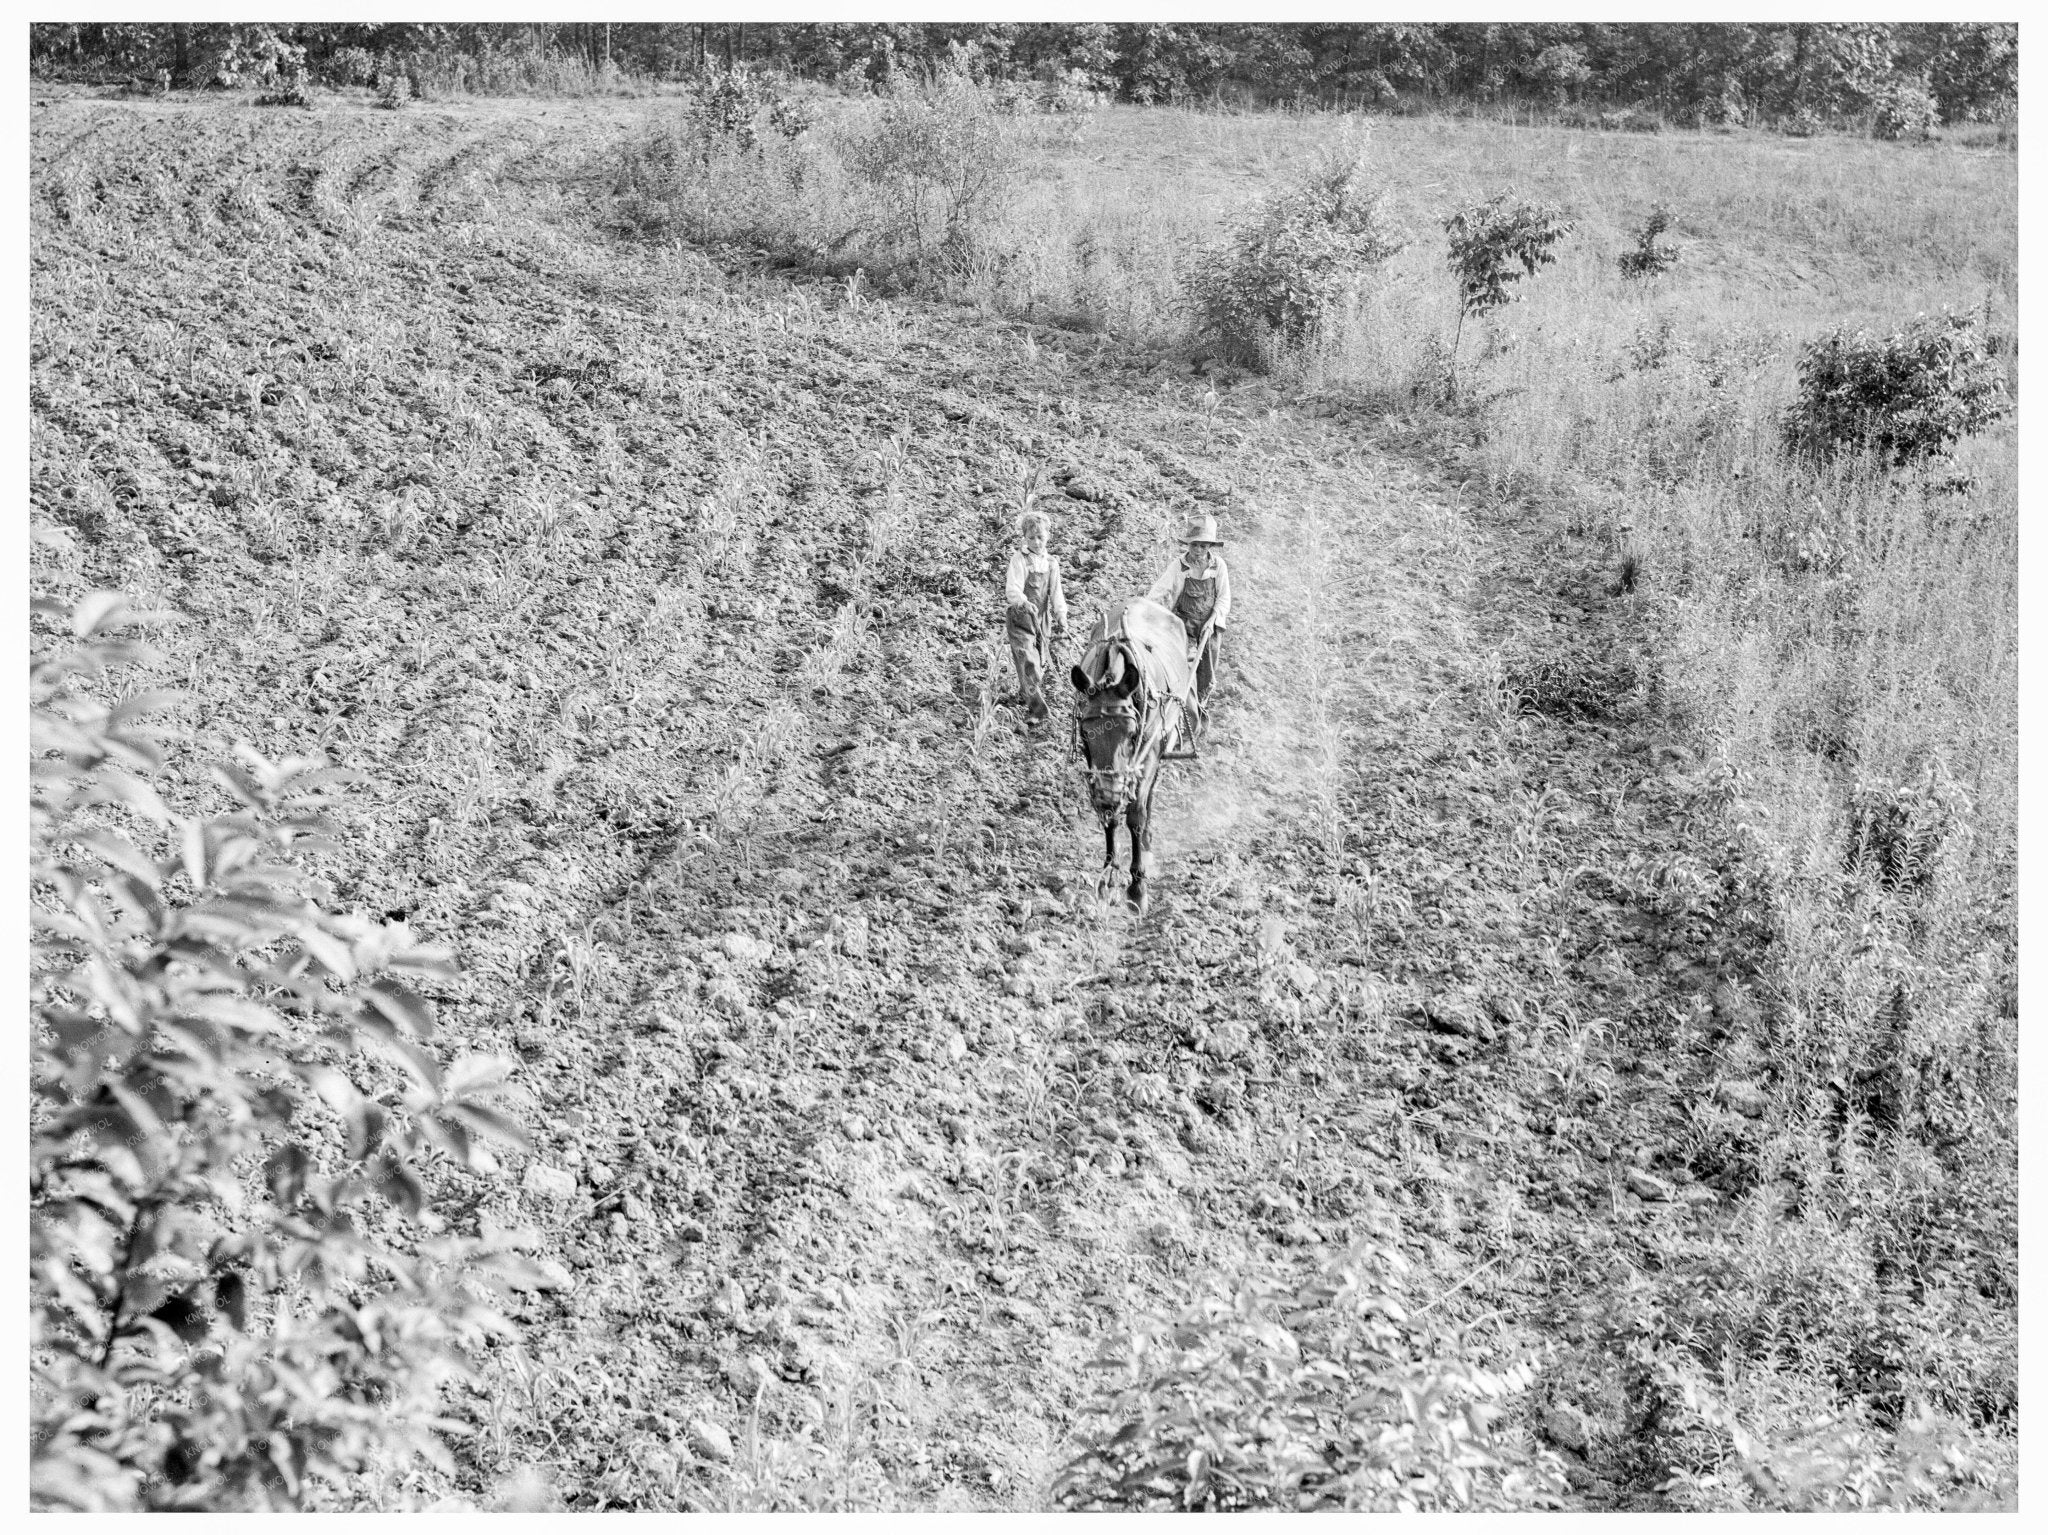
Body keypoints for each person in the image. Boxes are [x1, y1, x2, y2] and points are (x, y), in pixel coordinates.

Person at [1146, 512, 1232, 702]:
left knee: (1205, 674)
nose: (1198, 550)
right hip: (1182, 625)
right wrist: (1147, 611)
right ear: (1188, 545)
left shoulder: (1218, 567)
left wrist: (1213, 620)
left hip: (1208, 626)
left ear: (1210, 546)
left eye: (1203, 545)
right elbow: (1161, 591)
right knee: (1176, 668)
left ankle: (1200, 706)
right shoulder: (1180, 566)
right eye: (1194, 544)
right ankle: (1174, 702)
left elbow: (1224, 598)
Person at [1004, 507, 1068, 724]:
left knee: (1038, 663)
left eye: (1040, 537)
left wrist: (1061, 615)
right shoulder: (1019, 559)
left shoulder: (1051, 564)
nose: (1037, 542)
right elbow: (1013, 588)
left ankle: (1028, 692)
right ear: (1025, 538)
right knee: (1028, 661)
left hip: (1041, 619)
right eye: (1031, 538)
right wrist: (1023, 602)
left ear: (1048, 536)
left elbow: (1056, 592)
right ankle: (1038, 711)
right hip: (1021, 617)